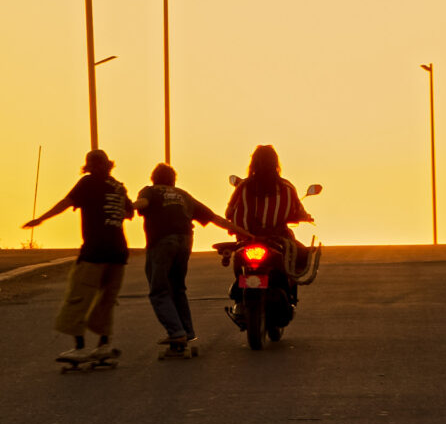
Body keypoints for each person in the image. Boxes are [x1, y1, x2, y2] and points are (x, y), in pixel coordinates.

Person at [22, 149, 134, 362]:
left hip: (95, 251)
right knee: (107, 300)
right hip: (118, 251)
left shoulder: (88, 182)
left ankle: (80, 348)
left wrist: (41, 219)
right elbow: (130, 213)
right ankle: (103, 345)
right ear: (109, 164)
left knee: (79, 296)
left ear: (89, 165)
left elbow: (66, 202)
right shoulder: (118, 186)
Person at [134, 163, 248, 353]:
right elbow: (215, 218)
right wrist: (247, 234)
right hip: (185, 241)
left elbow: (143, 203)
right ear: (173, 180)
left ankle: (176, 332)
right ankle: (187, 331)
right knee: (178, 288)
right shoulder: (183, 195)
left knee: (159, 290)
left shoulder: (150, 191)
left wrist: (128, 206)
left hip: (162, 242)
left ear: (154, 178)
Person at [224, 145, 314, 320]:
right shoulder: (287, 187)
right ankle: (290, 297)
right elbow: (297, 211)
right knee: (300, 257)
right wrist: (305, 217)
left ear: (253, 163)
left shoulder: (242, 187)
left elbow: (229, 212)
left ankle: (240, 301)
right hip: (278, 239)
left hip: (248, 239)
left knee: (238, 261)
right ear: (276, 164)